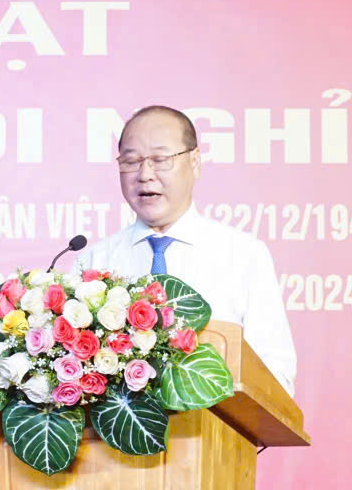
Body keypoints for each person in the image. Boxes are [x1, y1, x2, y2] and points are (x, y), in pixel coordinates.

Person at [73, 105, 297, 396]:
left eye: (160, 159)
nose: (145, 174)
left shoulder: (244, 255)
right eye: (131, 161)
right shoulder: (94, 261)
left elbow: (277, 377)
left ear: (195, 162)